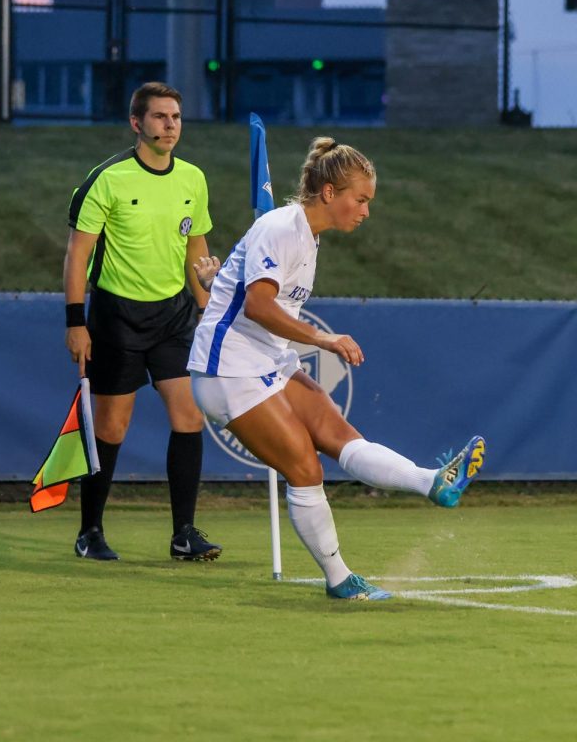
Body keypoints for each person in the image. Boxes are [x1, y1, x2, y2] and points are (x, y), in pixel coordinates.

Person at [186, 137, 486, 601]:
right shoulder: (283, 227)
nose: (365, 211)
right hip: (229, 371)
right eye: (360, 199)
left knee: (342, 437)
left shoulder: (307, 235)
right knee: (306, 470)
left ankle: (433, 483)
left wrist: (216, 281)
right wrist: (324, 338)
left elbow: (246, 293)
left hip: (266, 360)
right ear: (329, 192)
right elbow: (260, 306)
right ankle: (340, 579)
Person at [63, 81, 222, 563]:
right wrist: (76, 322)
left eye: (175, 117)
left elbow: (196, 250)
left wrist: (208, 305)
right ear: (137, 123)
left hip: (174, 317)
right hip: (116, 319)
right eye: (159, 117)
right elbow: (77, 255)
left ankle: (184, 534)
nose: (170, 125)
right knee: (112, 427)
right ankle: (90, 531)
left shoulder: (193, 178)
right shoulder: (106, 179)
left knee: (189, 415)